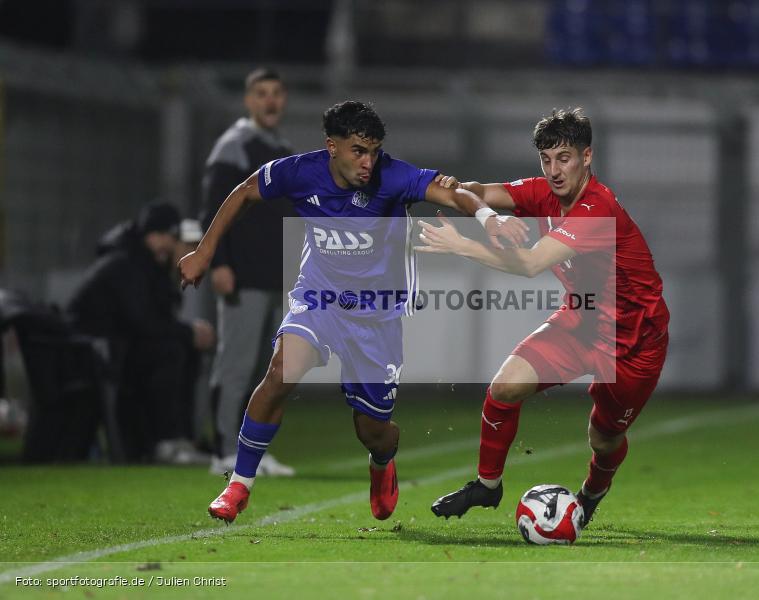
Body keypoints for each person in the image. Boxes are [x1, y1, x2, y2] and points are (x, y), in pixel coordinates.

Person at [178, 100, 527, 523]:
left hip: (376, 316)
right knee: (281, 370)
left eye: (374, 151)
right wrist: (204, 251)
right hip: (319, 298)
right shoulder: (299, 171)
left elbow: (452, 193)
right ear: (332, 146)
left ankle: (382, 464)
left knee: (374, 431)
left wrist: (489, 219)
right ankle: (239, 484)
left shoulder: (392, 176)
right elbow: (245, 191)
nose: (368, 161)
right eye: (358, 150)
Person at [416, 108, 669, 529]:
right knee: (504, 387)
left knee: (604, 438)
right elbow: (481, 190)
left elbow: (532, 264)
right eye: (546, 159)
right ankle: (487, 485)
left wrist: (461, 245)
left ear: (587, 157)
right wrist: (451, 188)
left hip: (633, 341)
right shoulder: (542, 191)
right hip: (582, 317)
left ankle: (591, 493)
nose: (554, 170)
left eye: (564, 158)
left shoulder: (596, 208)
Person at [200, 68, 296, 477]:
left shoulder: (280, 147)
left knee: (267, 372)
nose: (270, 101)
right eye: (262, 94)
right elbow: (212, 211)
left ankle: (252, 450)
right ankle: (223, 449)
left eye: (276, 93)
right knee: (236, 366)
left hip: (275, 276)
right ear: (249, 101)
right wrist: (219, 262)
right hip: (243, 276)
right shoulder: (234, 147)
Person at [68, 202, 216, 463]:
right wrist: (187, 331)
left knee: (181, 347)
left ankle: (183, 438)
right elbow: (142, 322)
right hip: (95, 354)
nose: (170, 245)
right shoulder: (124, 264)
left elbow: (153, 320)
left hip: (116, 349)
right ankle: (167, 441)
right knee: (170, 350)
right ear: (152, 235)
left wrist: (186, 333)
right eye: (167, 237)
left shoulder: (146, 265)